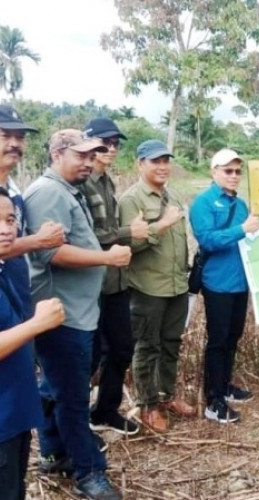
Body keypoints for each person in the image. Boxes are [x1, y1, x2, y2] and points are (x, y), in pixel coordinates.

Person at [24, 129, 131, 499]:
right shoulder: (49, 193)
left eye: (92, 156)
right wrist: (106, 257)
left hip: (75, 310)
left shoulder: (67, 189)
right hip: (62, 314)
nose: (88, 162)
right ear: (57, 153)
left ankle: (54, 450)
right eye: (80, 155)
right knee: (71, 395)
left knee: (55, 385)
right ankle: (88, 473)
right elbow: (49, 253)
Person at [119, 139, 193, 433]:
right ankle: (148, 405)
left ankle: (167, 396)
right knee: (147, 347)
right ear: (140, 164)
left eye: (166, 161)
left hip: (175, 285)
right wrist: (160, 224)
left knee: (171, 343)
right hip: (148, 288)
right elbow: (127, 246)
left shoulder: (172, 195)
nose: (163, 167)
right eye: (155, 161)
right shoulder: (132, 199)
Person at [81, 117, 147, 436]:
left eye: (115, 143)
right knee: (88, 356)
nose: (110, 148)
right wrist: (127, 232)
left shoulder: (107, 181)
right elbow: (86, 234)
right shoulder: (81, 182)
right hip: (92, 283)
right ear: (89, 143)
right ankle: (71, 425)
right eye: (105, 142)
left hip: (116, 281)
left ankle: (105, 411)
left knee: (122, 347)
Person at [0, 186, 65, 500]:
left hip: (15, 414)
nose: (5, 229)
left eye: (10, 220)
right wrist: (37, 324)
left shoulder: (6, 270)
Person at [190, 148, 259, 424]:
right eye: (227, 170)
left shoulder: (241, 204)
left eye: (237, 171)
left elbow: (249, 238)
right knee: (218, 341)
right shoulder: (203, 203)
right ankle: (213, 400)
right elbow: (208, 239)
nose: (233, 176)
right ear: (214, 172)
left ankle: (225, 385)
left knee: (233, 337)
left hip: (240, 281)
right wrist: (242, 229)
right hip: (217, 283)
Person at [0, 104, 64, 318]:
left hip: (17, 292)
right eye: (5, 135)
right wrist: (38, 241)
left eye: (20, 138)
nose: (14, 144)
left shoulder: (14, 188)